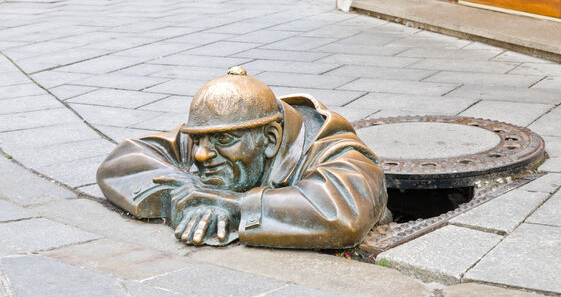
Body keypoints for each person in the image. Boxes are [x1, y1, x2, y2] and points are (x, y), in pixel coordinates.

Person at [97, 66, 387, 249]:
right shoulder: (210, 137)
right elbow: (119, 164)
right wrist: (186, 194)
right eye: (197, 139)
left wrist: (235, 206)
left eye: (224, 140)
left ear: (271, 139)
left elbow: (344, 212)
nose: (200, 153)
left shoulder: (334, 149)